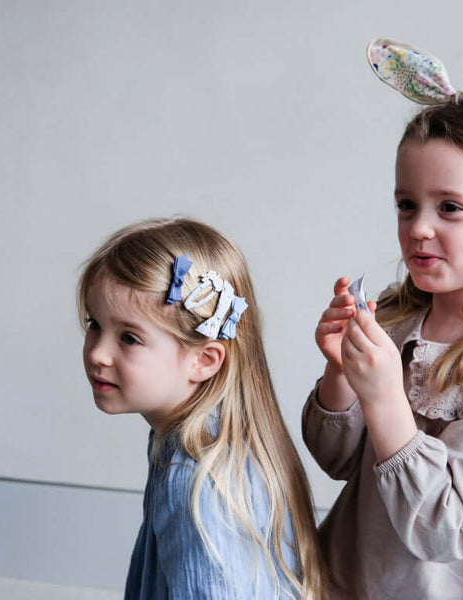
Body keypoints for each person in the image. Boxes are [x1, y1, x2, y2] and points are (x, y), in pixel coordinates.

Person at [302, 12, 463, 600]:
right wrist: (341, 378)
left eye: (449, 207)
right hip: (345, 582)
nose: (419, 227)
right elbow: (336, 460)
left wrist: (384, 395)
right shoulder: (399, 319)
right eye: (406, 204)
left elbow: (446, 526)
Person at [78, 217, 326, 599]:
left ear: (205, 360)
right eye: (95, 324)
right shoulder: (201, 443)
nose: (97, 352)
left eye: (128, 338)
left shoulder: (194, 478)